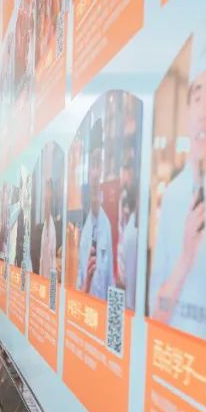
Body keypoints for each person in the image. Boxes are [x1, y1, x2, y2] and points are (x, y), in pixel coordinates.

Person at [148, 11, 206, 348]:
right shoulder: (172, 197)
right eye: (196, 97)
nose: (203, 109)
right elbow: (155, 312)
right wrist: (186, 255)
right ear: (188, 112)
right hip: (171, 355)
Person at [77, 120, 115, 300]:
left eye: (99, 164)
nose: (95, 173)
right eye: (92, 164)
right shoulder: (86, 231)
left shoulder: (110, 228)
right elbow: (79, 288)